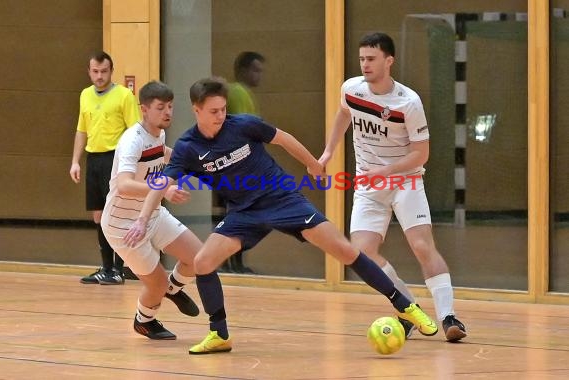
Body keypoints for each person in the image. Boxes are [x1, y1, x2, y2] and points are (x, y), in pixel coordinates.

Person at [124, 77, 439, 354]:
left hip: (281, 199)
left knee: (345, 250)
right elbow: (162, 182)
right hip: (244, 212)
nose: (220, 116)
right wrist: (143, 218)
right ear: (197, 110)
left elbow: (283, 139)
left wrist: (312, 163)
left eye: (223, 109)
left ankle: (405, 305)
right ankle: (219, 335)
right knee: (204, 262)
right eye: (213, 111)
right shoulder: (187, 147)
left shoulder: (243, 124)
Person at [318, 32, 467, 342]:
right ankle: (409, 310)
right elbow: (344, 113)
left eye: (371, 59)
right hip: (368, 186)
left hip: (405, 181)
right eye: (361, 59)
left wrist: (386, 170)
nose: (365, 65)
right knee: (363, 253)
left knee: (422, 246)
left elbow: (421, 153)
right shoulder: (352, 89)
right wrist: (329, 151)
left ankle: (449, 317)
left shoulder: (408, 102)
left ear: (389, 60)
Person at [101, 80, 201, 339]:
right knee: (154, 283)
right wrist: (163, 189)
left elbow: (160, 152)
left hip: (152, 214)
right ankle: (144, 320)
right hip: (122, 225)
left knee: (199, 257)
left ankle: (174, 288)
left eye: (170, 106)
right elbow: (124, 184)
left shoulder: (159, 133)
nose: (167, 112)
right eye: (160, 107)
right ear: (144, 109)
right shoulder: (132, 141)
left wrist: (185, 159)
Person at [70, 51, 141, 285]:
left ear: (111, 71)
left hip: (116, 160)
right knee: (98, 215)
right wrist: (75, 161)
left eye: (104, 71)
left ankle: (119, 269)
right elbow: (82, 129)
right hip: (94, 159)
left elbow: (135, 132)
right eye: (95, 71)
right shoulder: (85, 95)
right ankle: (106, 267)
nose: (99, 76)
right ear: (89, 71)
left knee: (117, 214)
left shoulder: (124, 96)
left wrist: (133, 165)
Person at [218, 51, 266, 273]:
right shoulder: (237, 93)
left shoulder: (243, 93)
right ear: (243, 71)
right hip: (237, 166)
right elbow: (242, 129)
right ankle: (231, 261)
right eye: (256, 70)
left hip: (244, 163)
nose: (259, 76)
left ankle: (234, 261)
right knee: (240, 213)